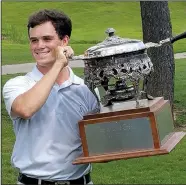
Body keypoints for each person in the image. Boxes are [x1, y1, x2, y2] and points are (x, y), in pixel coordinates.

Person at [3, 9, 100, 185]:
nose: (39, 46)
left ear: (64, 41)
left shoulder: (85, 88)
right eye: (34, 40)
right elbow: (25, 109)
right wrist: (58, 64)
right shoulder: (18, 84)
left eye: (47, 39)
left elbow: (99, 138)